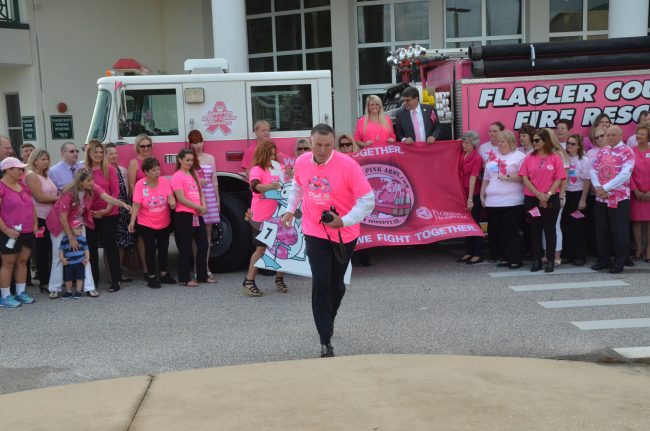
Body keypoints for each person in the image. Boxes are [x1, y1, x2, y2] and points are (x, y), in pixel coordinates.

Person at [282, 124, 375, 358]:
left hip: (345, 233)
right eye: (318, 145)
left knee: (336, 284)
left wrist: (343, 221)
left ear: (333, 144)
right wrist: (290, 209)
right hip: (315, 230)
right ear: (310, 143)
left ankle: (328, 318)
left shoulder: (348, 166)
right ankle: (325, 339)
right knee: (321, 282)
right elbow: (297, 186)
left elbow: (367, 200)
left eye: (327, 145)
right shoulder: (302, 161)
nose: (322, 150)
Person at [46, 168, 131, 298]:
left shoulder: (91, 187)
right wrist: (70, 238)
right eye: (88, 180)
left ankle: (89, 287)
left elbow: (106, 197)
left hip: (78, 223)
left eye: (92, 180)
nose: (92, 183)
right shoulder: (68, 193)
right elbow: (63, 217)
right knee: (58, 254)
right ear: (80, 182)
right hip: (60, 224)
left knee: (84, 255)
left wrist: (122, 204)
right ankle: (55, 287)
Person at [242, 140, 291, 296]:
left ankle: (279, 280)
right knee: (261, 248)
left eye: (274, 153)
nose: (272, 155)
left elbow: (291, 184)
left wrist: (292, 173)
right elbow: (255, 186)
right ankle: (249, 282)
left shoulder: (279, 168)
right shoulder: (257, 169)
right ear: (263, 154)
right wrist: (270, 186)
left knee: (281, 248)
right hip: (262, 218)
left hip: (279, 216)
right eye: (269, 153)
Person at [519, 129, 567, 273]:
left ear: (545, 141)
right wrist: (538, 194)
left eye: (537, 140)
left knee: (550, 230)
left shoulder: (555, 158)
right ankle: (536, 260)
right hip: (532, 198)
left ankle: (550, 260)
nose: (534, 143)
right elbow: (524, 178)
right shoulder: (529, 158)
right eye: (533, 140)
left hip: (550, 198)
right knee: (535, 230)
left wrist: (548, 194)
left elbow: (559, 178)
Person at [590, 125, 635, 273]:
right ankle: (603, 260)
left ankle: (619, 262)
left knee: (619, 232)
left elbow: (625, 174)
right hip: (601, 198)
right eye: (607, 135)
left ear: (619, 136)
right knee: (601, 231)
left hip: (619, 198)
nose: (608, 138)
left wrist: (605, 188)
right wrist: (598, 188)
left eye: (612, 135)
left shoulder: (627, 152)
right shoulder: (603, 151)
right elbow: (593, 170)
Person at [480, 130, 526, 269]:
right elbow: (487, 178)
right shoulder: (493, 156)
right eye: (498, 141)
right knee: (499, 232)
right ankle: (506, 258)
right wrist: (482, 194)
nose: (499, 144)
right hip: (493, 202)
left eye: (502, 141)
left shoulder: (519, 156)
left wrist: (507, 177)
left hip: (512, 202)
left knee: (511, 231)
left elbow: (524, 177)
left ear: (510, 142)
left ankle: (516, 259)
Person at [128, 157, 177, 288]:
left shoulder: (164, 182)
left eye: (158, 169)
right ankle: (151, 276)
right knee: (150, 249)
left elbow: (170, 195)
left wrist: (172, 201)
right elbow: (136, 204)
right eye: (153, 170)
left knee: (163, 248)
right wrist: (132, 221)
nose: (157, 172)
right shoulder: (140, 185)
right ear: (146, 172)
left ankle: (163, 273)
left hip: (164, 221)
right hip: (146, 223)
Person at [171, 148, 216, 287]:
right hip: (184, 215)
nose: (190, 163)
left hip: (196, 214)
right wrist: (198, 207)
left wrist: (203, 205)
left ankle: (202, 274)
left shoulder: (193, 174)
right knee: (185, 246)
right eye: (187, 160)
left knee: (203, 244)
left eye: (191, 160)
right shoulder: (177, 176)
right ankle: (185, 277)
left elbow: (200, 191)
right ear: (180, 160)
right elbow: (180, 198)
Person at [84, 140, 122, 292]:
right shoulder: (84, 171)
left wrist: (106, 210)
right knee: (91, 249)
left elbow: (115, 192)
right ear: (90, 154)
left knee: (110, 247)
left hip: (109, 213)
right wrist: (90, 212)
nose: (99, 155)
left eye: (101, 152)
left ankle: (115, 280)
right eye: (96, 152)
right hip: (90, 215)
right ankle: (93, 281)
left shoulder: (110, 169)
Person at [0, 157, 37, 308]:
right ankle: (5, 296)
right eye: (18, 169)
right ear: (7, 170)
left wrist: (35, 224)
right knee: (8, 264)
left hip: (27, 231)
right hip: (10, 233)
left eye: (22, 168)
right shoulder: (1, 187)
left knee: (22, 262)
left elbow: (32, 206)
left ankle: (21, 293)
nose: (21, 171)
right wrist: (6, 230)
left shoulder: (23, 185)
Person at [187, 130, 220, 279]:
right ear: (190, 144)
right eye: (194, 142)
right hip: (195, 199)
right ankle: (196, 267)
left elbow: (214, 181)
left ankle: (206, 267)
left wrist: (218, 200)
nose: (198, 145)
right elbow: (185, 180)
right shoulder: (189, 159)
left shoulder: (211, 158)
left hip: (210, 198)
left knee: (207, 235)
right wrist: (197, 183)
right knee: (195, 235)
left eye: (200, 141)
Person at [24, 148, 58, 294]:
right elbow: (39, 197)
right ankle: (44, 281)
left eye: (47, 159)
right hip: (39, 217)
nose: (46, 162)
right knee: (42, 250)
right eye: (43, 159)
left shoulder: (46, 175)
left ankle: (51, 279)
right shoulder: (31, 175)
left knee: (51, 249)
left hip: (51, 216)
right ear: (35, 160)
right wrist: (60, 198)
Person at [560, 134, 591, 266]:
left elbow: (587, 181)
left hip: (578, 194)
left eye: (573, 144)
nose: (569, 146)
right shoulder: (564, 159)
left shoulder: (584, 160)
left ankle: (580, 255)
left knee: (578, 226)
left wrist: (583, 199)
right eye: (568, 144)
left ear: (579, 146)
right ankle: (567, 254)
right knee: (565, 225)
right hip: (566, 194)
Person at [105, 143, 135, 274]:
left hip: (124, 209)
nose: (114, 156)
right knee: (110, 243)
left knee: (123, 242)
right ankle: (111, 274)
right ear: (105, 156)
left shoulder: (122, 169)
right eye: (111, 153)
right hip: (111, 208)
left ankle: (119, 272)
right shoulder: (104, 170)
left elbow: (127, 189)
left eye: (116, 153)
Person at [127, 134, 154, 278]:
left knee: (153, 237)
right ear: (138, 147)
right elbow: (131, 186)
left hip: (155, 206)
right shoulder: (134, 163)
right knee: (142, 237)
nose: (145, 148)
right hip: (141, 206)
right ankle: (145, 269)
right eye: (142, 146)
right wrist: (138, 203)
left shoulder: (153, 161)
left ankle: (153, 265)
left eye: (148, 146)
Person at [458, 131, 484, 264]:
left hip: (472, 193)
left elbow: (473, 178)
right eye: (463, 142)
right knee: (466, 223)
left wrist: (470, 200)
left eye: (466, 142)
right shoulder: (462, 154)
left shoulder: (477, 158)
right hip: (462, 191)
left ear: (473, 144)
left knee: (474, 223)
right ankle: (468, 251)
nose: (463, 144)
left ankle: (478, 252)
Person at [629, 123, 650, 261]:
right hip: (635, 192)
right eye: (638, 133)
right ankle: (639, 249)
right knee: (636, 222)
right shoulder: (631, 151)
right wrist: (635, 190)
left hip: (649, 193)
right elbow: (627, 172)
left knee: (649, 222)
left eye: (642, 134)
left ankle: (649, 251)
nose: (638, 136)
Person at [59, 219, 89, 299]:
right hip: (69, 263)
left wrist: (87, 258)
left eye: (80, 228)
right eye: (77, 228)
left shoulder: (82, 239)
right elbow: (61, 249)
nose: (80, 230)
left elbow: (86, 249)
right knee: (68, 278)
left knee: (80, 277)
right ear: (70, 229)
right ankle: (68, 291)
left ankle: (78, 291)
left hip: (80, 262)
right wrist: (62, 259)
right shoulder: (65, 239)